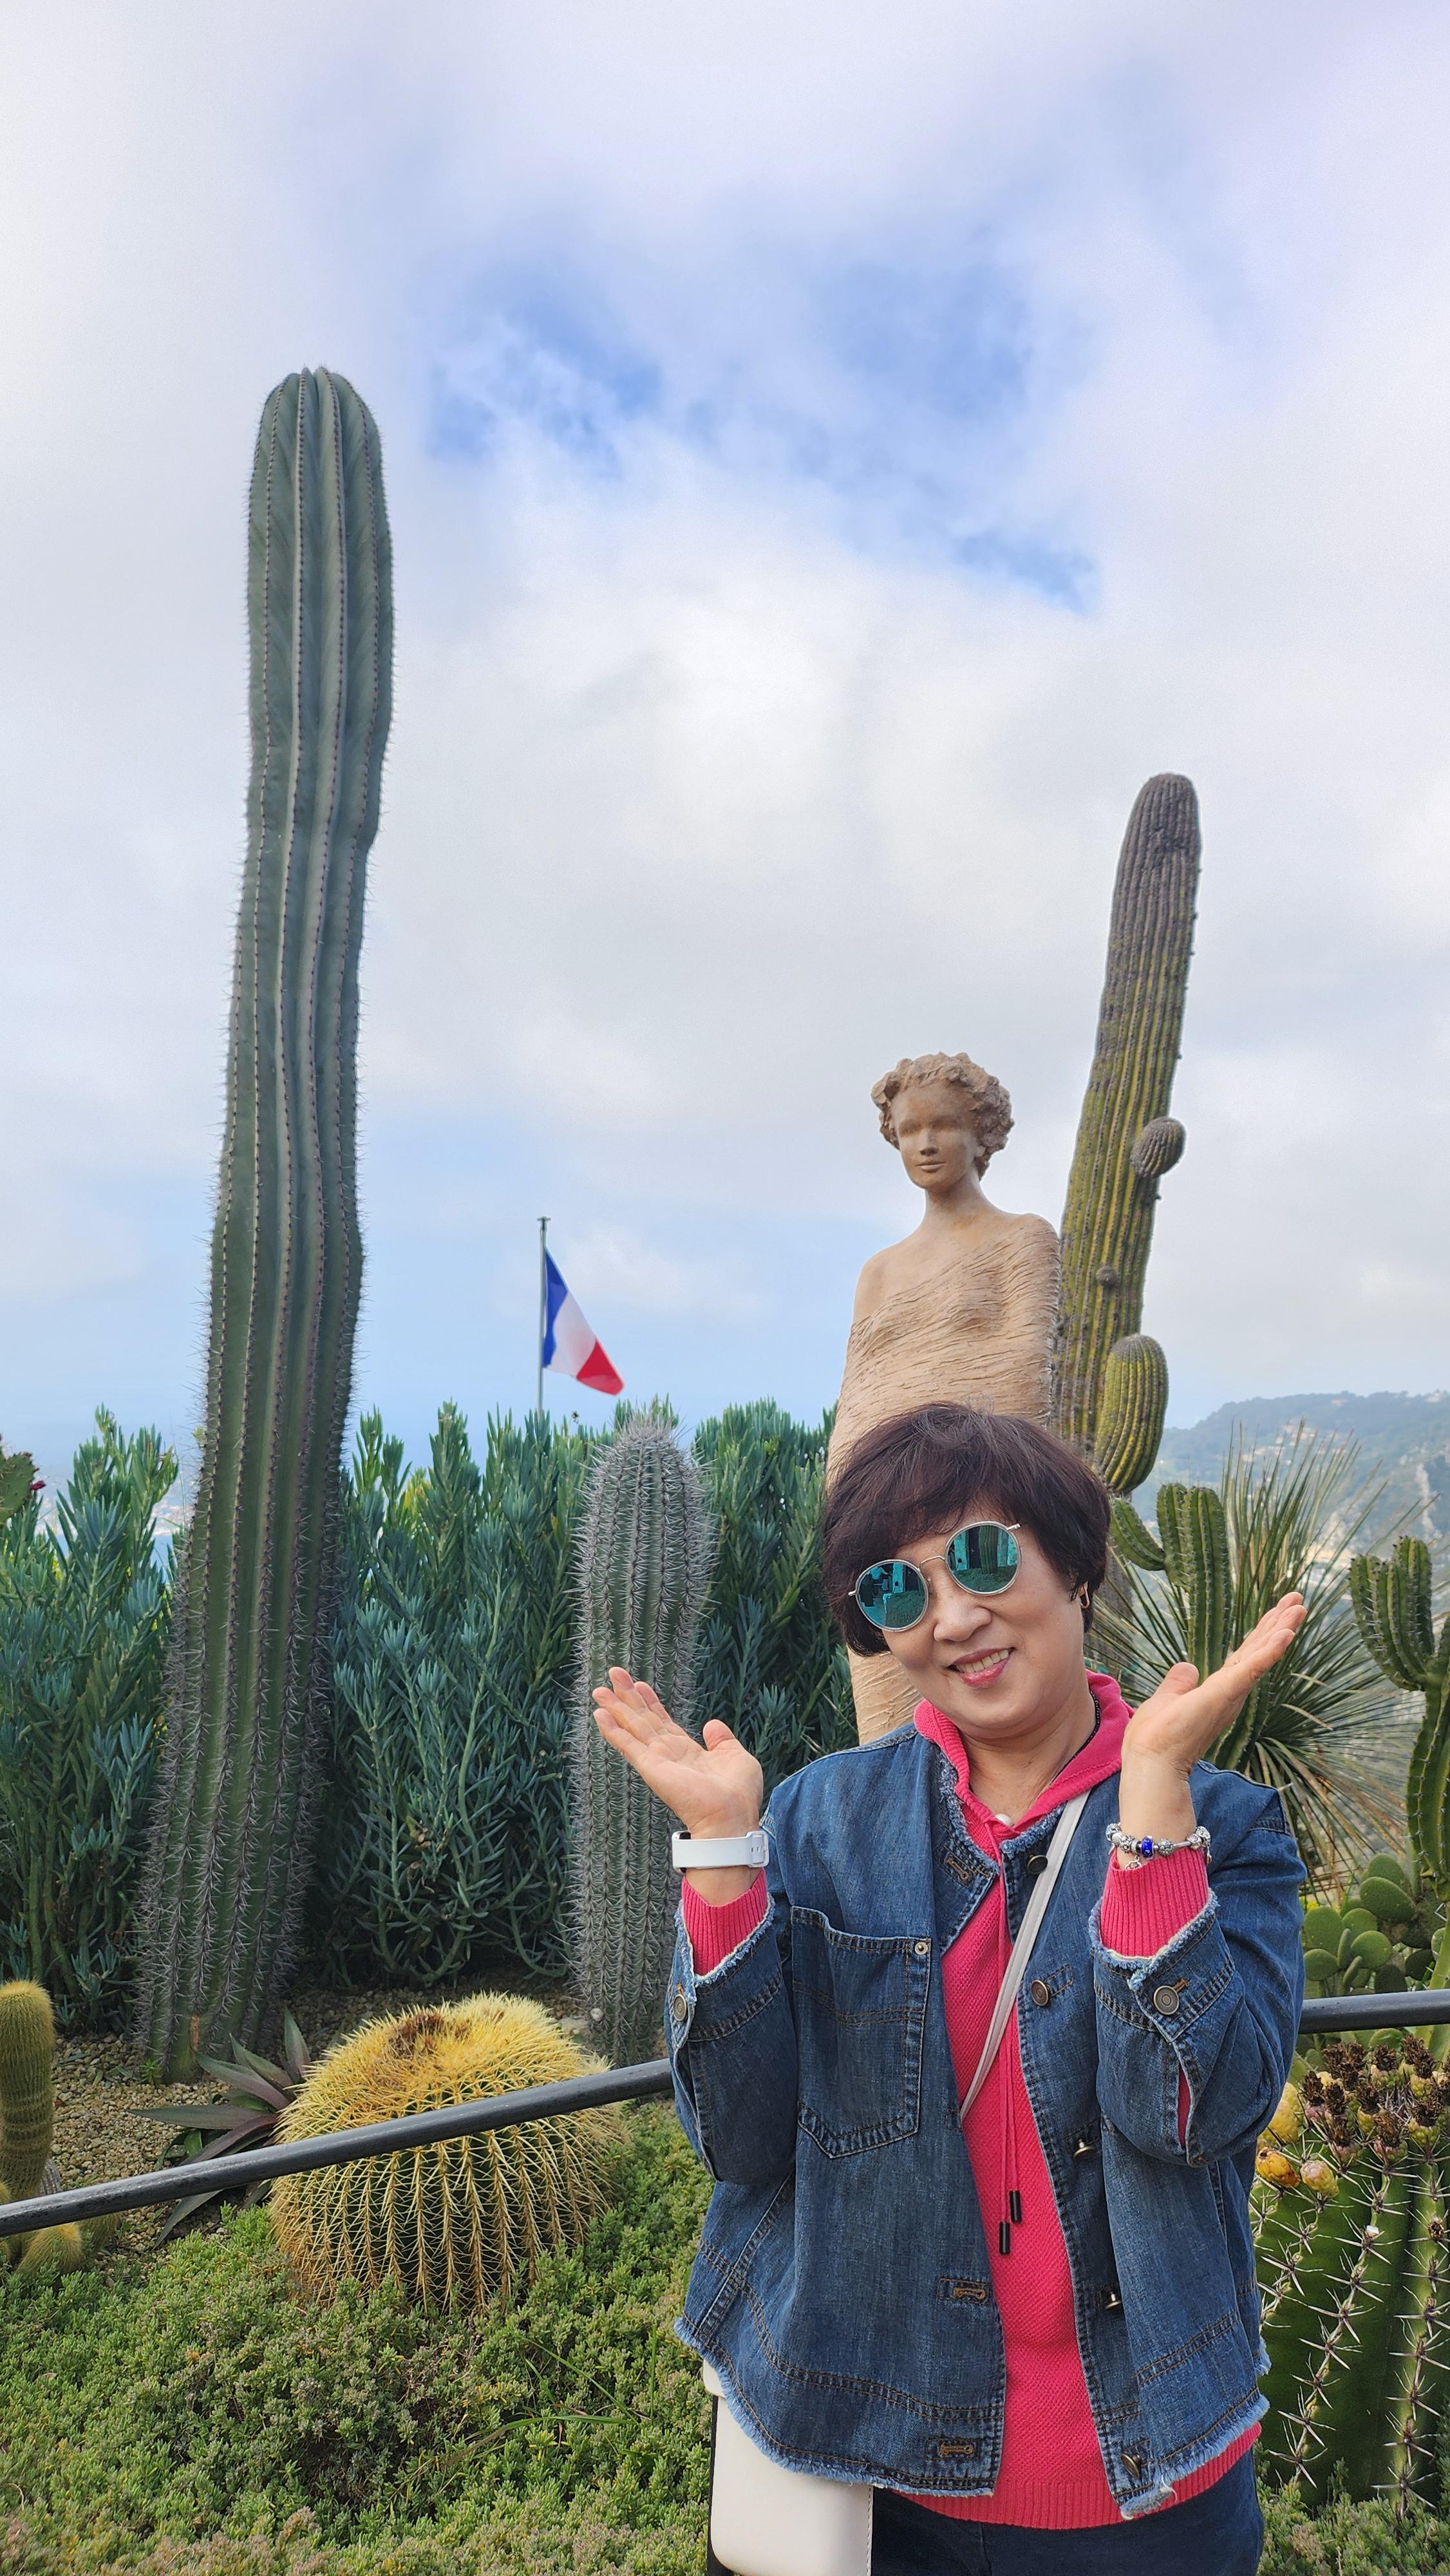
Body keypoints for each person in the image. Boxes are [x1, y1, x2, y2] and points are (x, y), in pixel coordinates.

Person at [592, 1403, 1306, 2574]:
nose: (954, 1617)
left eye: (982, 1556)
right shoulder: (822, 1818)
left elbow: (1191, 2118)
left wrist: (1153, 1822)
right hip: (861, 2469)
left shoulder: (1229, 1830)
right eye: (898, 1588)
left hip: (1144, 2489)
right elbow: (739, 2137)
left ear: (1075, 1565)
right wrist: (722, 1854)